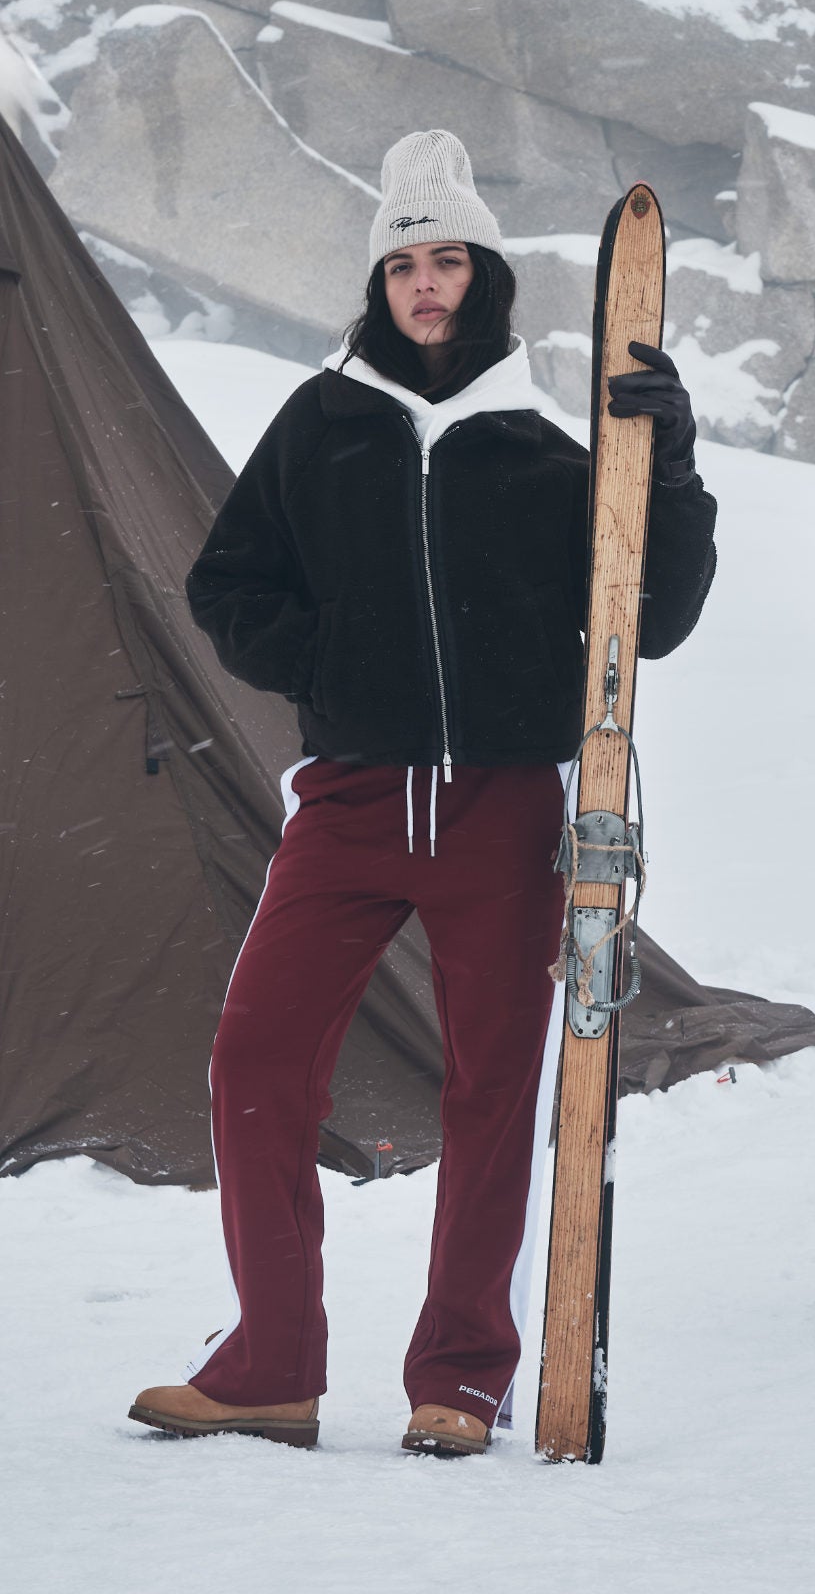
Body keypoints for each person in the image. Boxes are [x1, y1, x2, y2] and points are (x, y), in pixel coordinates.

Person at [128, 131, 715, 1455]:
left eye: (448, 259)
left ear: (484, 278)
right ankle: (270, 1364)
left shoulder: (546, 455)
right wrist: (324, 662)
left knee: (492, 1093)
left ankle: (460, 1376)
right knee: (256, 1060)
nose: (426, 283)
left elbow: (656, 614)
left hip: (503, 811)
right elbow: (226, 583)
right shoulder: (319, 427)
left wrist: (668, 465)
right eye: (404, 264)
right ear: (379, 284)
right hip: (347, 801)